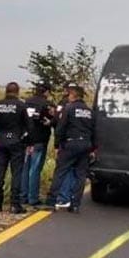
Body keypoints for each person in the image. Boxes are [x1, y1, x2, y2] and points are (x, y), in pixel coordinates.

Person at [45, 83, 94, 213]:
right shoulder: (89, 111)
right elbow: (94, 131)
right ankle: (75, 204)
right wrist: (93, 148)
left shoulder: (69, 108)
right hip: (86, 145)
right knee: (81, 175)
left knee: (60, 172)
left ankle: (51, 201)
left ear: (73, 95)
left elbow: (60, 128)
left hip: (70, 144)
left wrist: (57, 145)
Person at [0, 82, 31, 213]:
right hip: (16, 141)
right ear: (17, 92)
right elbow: (30, 126)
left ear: (6, 91)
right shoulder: (21, 105)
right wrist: (27, 141)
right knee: (16, 173)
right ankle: (14, 204)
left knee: (0, 172)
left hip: (1, 141)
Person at [20, 82, 54, 207]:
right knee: (34, 170)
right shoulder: (47, 105)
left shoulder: (26, 102)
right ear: (46, 92)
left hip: (26, 140)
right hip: (39, 141)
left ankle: (22, 196)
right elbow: (53, 120)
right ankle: (32, 198)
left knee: (25, 168)